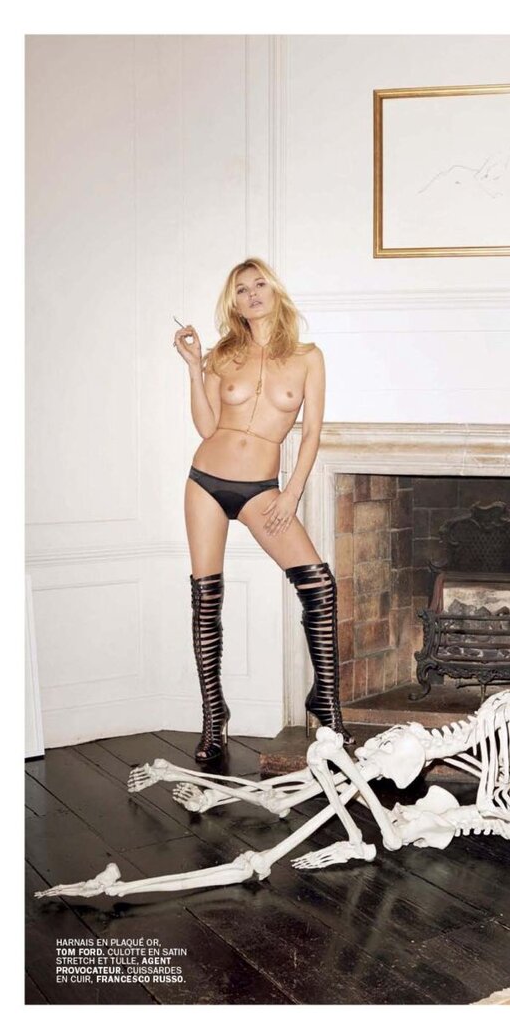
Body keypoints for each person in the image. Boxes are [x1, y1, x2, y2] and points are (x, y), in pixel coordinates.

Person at [174, 258, 352, 762]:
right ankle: (214, 716)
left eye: (259, 285)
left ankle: (326, 703)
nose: (251, 294)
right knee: (207, 598)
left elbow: (312, 433)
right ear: (234, 303)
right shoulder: (222, 355)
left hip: (262, 489)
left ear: (275, 292)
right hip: (206, 481)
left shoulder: (308, 357)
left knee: (318, 585)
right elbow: (207, 427)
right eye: (241, 289)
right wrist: (194, 367)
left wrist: (291, 493)